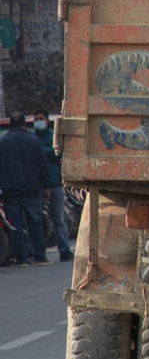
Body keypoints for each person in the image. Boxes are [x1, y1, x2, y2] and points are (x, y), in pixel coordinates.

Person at [0, 111, 50, 266]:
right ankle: (40, 256)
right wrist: (46, 186)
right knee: (35, 222)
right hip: (32, 189)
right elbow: (43, 166)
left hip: (10, 191)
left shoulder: (3, 142)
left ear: (10, 124)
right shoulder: (34, 141)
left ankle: (22, 258)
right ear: (24, 123)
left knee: (16, 225)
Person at [32, 110, 73, 262]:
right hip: (37, 186)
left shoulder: (52, 136)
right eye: (36, 119)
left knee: (59, 219)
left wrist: (41, 151)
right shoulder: (32, 138)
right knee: (36, 220)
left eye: (41, 119)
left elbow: (58, 153)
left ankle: (64, 250)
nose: (38, 121)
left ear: (47, 121)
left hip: (54, 183)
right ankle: (39, 253)